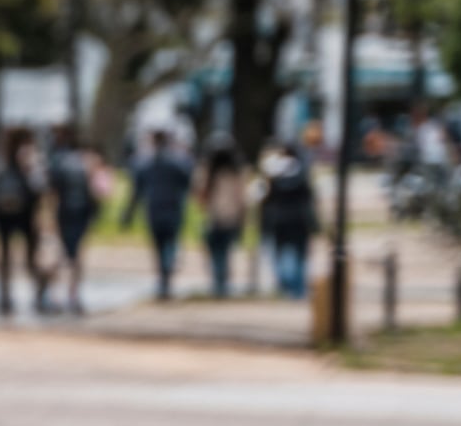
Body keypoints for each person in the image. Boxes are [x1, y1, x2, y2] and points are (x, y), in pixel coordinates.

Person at [0, 126, 51, 316]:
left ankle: (5, 296)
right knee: (30, 256)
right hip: (25, 213)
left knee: (5, 255)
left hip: (4, 212)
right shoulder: (30, 158)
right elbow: (40, 185)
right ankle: (39, 293)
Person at [122, 128, 195, 301]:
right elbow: (188, 181)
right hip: (173, 209)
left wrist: (128, 214)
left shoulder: (146, 164)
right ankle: (166, 280)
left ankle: (164, 281)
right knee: (169, 245)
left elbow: (136, 191)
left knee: (160, 247)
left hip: (155, 210)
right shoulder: (177, 162)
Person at [46, 139, 109, 315]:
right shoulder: (89, 167)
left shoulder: (62, 166)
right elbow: (101, 193)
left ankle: (53, 296)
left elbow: (53, 193)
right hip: (80, 216)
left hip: (64, 214)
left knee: (62, 255)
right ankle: (72, 296)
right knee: (75, 257)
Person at [259, 140, 319, 300]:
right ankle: (298, 289)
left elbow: (266, 201)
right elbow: (309, 201)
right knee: (299, 255)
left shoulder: (274, 174)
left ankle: (285, 286)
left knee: (280, 254)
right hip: (299, 220)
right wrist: (315, 224)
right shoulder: (302, 174)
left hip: (279, 220)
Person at [196, 135, 248, 298]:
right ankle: (222, 283)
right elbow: (243, 198)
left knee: (216, 251)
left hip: (214, 217)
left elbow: (200, 195)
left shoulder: (207, 170)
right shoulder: (238, 172)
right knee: (225, 251)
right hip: (231, 217)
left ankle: (218, 283)